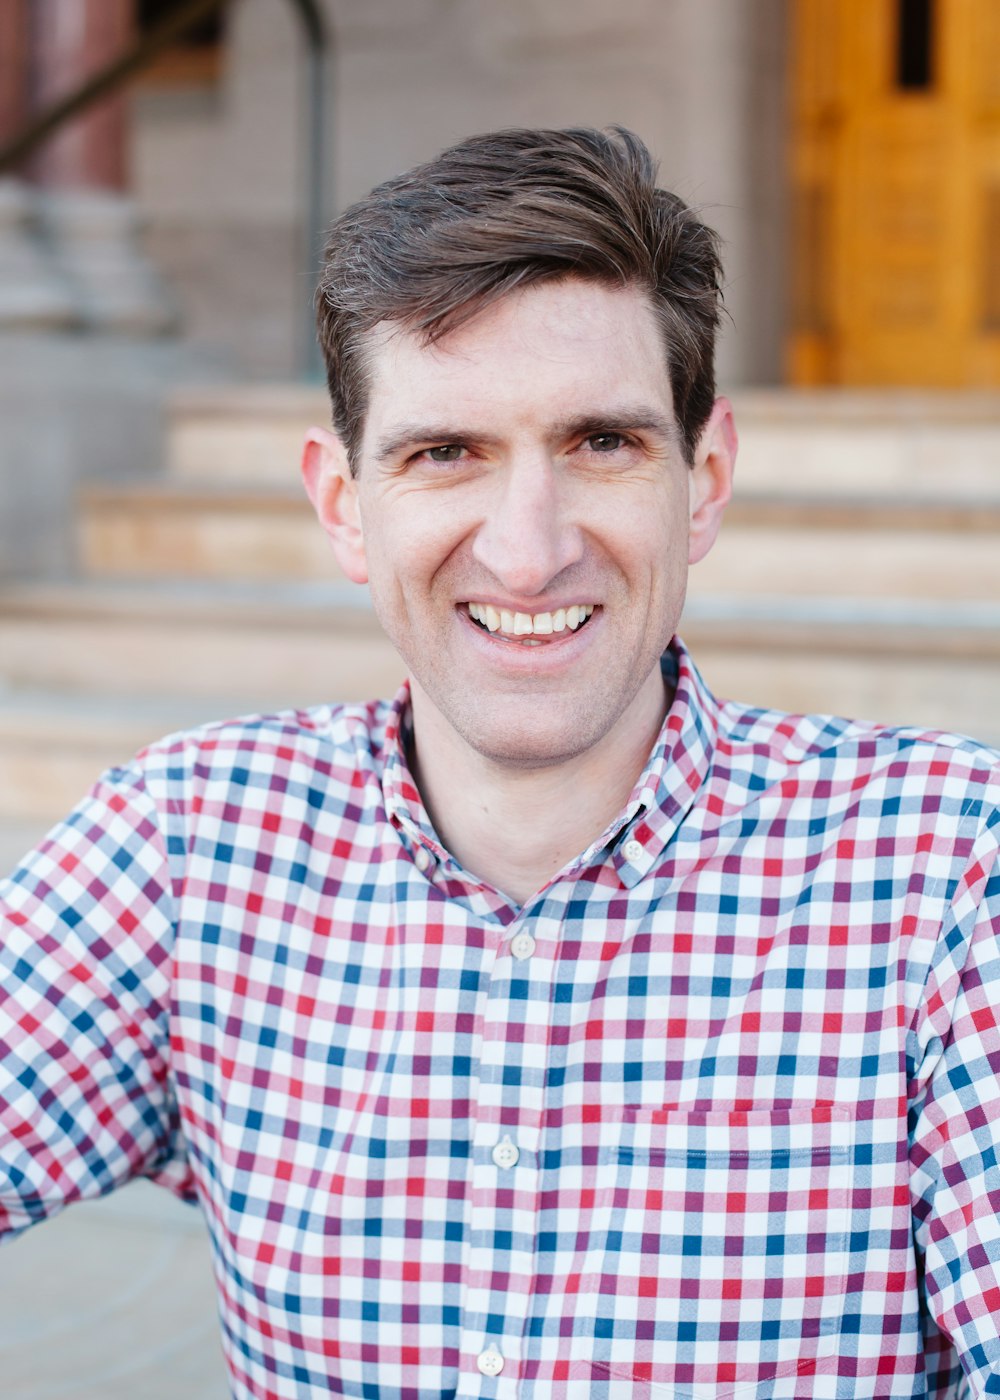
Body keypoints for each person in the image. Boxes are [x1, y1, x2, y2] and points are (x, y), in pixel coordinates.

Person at [1, 126, 999, 1400]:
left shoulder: (942, 871)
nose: (528, 554)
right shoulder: (192, 845)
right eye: (444, 452)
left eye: (600, 444)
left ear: (704, 478)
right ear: (344, 503)